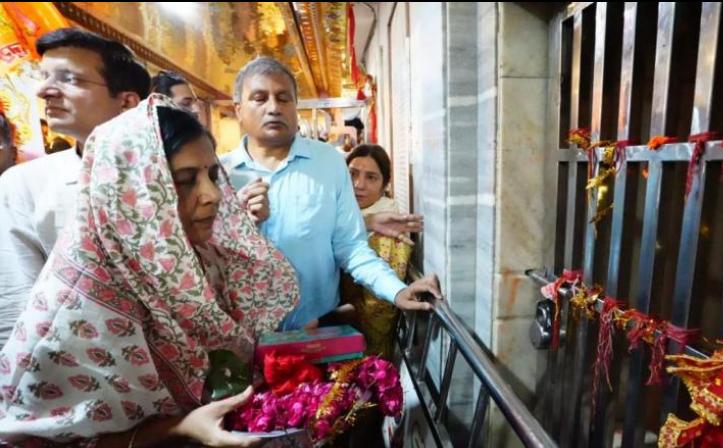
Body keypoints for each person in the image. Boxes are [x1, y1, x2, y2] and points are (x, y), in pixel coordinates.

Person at [0, 96, 299, 447]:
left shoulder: (205, 261)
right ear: (131, 194)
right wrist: (177, 429)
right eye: (186, 180)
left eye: (213, 175)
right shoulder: (71, 316)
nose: (212, 195)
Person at [221, 57, 441, 331]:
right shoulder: (220, 174)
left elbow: (350, 246)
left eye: (283, 98)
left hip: (319, 328)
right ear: (239, 109)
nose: (274, 108)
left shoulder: (328, 163)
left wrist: (396, 290)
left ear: (295, 106)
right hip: (245, 333)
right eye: (259, 98)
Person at [0, 28, 151, 347]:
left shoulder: (172, 173)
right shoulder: (24, 185)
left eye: (69, 79)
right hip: (69, 369)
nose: (44, 91)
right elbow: (18, 305)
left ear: (126, 102)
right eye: (45, 78)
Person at [342, 144, 417, 357]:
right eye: (352, 174)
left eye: (371, 178)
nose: (359, 185)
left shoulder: (389, 232)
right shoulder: (339, 211)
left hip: (361, 344)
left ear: (385, 184)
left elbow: (378, 310)